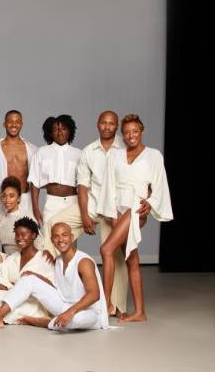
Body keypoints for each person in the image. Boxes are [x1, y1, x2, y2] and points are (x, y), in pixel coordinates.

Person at [40, 110, 129, 314]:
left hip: (116, 209)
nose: (107, 127)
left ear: (117, 126)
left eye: (111, 123)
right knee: (55, 224)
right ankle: (51, 292)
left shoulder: (125, 150)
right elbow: (82, 186)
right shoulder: (89, 151)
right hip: (93, 204)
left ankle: (114, 305)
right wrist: (86, 215)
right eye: (103, 123)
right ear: (98, 124)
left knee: (116, 254)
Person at [97, 114, 173, 322]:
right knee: (132, 259)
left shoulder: (154, 156)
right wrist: (112, 214)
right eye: (127, 132)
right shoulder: (115, 155)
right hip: (118, 209)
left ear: (142, 131)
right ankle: (140, 312)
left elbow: (159, 184)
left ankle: (105, 305)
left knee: (106, 249)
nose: (131, 136)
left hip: (136, 208)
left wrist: (152, 202)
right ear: (123, 134)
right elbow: (109, 186)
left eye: (135, 131)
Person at [0, 223, 109, 331]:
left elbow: (94, 295)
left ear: (72, 237)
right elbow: (57, 286)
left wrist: (70, 313)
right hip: (64, 305)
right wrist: (35, 276)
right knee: (28, 279)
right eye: (56, 236)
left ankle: (33, 320)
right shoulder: (59, 261)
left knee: (74, 321)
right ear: (52, 240)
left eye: (64, 235)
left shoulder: (83, 262)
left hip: (88, 313)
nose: (60, 239)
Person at [29, 114, 81, 225]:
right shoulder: (41, 152)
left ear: (69, 131)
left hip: (73, 202)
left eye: (63, 128)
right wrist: (35, 208)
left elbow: (84, 185)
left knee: (70, 239)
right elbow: (34, 183)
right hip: (52, 201)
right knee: (49, 237)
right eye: (55, 129)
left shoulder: (79, 154)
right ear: (50, 133)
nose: (60, 132)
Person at [0, 110, 38, 215]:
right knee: (5, 231)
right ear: (4, 124)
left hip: (26, 200)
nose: (14, 124)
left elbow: (36, 180)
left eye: (17, 121)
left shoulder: (33, 150)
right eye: (10, 121)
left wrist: (35, 207)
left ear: (21, 124)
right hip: (4, 201)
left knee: (28, 231)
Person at [0, 177, 38, 254]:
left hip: (26, 259)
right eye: (4, 196)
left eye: (11, 196)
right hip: (8, 260)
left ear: (19, 198)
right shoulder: (1, 217)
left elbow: (38, 242)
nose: (7, 200)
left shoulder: (28, 217)